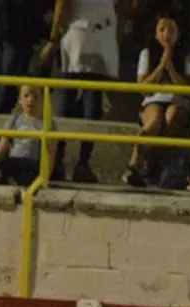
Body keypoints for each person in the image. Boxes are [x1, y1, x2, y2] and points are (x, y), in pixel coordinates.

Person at [45, 0, 133, 183]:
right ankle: (83, 163)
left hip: (78, 32)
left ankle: (56, 161)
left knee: (66, 102)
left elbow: (62, 3)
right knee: (91, 102)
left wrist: (53, 38)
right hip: (103, 34)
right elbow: (125, 7)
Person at [123, 12, 190, 188]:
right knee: (155, 119)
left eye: (171, 30)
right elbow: (143, 88)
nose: (166, 34)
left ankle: (146, 162)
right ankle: (135, 163)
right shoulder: (147, 53)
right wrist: (161, 66)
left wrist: (170, 68)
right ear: (155, 33)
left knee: (171, 117)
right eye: (162, 30)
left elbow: (189, 90)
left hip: (178, 101)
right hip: (153, 100)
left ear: (178, 34)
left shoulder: (187, 56)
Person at [0, 83, 59, 185]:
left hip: (32, 165)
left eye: (36, 96)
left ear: (43, 100)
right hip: (13, 161)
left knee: (23, 172)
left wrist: (45, 178)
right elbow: (1, 148)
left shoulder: (48, 124)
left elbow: (51, 155)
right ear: (20, 100)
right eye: (26, 96)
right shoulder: (14, 120)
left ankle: (15, 181)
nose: (30, 99)